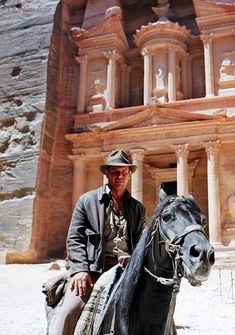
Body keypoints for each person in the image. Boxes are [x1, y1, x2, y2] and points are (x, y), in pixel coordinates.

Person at [48, 150, 145, 335]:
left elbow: (141, 242)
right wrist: (80, 270)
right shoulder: (87, 201)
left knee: (160, 310)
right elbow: (75, 238)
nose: (119, 176)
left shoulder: (137, 208)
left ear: (130, 175)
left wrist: (133, 257)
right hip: (94, 271)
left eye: (124, 172)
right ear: (106, 173)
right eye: (115, 172)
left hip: (128, 270)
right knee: (70, 312)